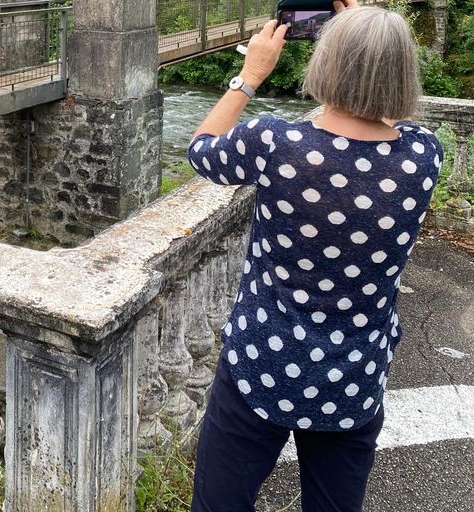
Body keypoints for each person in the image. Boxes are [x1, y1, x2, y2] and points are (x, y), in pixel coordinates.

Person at [186, 2, 444, 511]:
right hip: (354, 374)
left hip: (262, 366)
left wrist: (249, 76)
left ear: (322, 62)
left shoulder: (275, 144)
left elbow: (202, 149)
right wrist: (372, 31)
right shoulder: (423, 156)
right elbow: (393, 120)